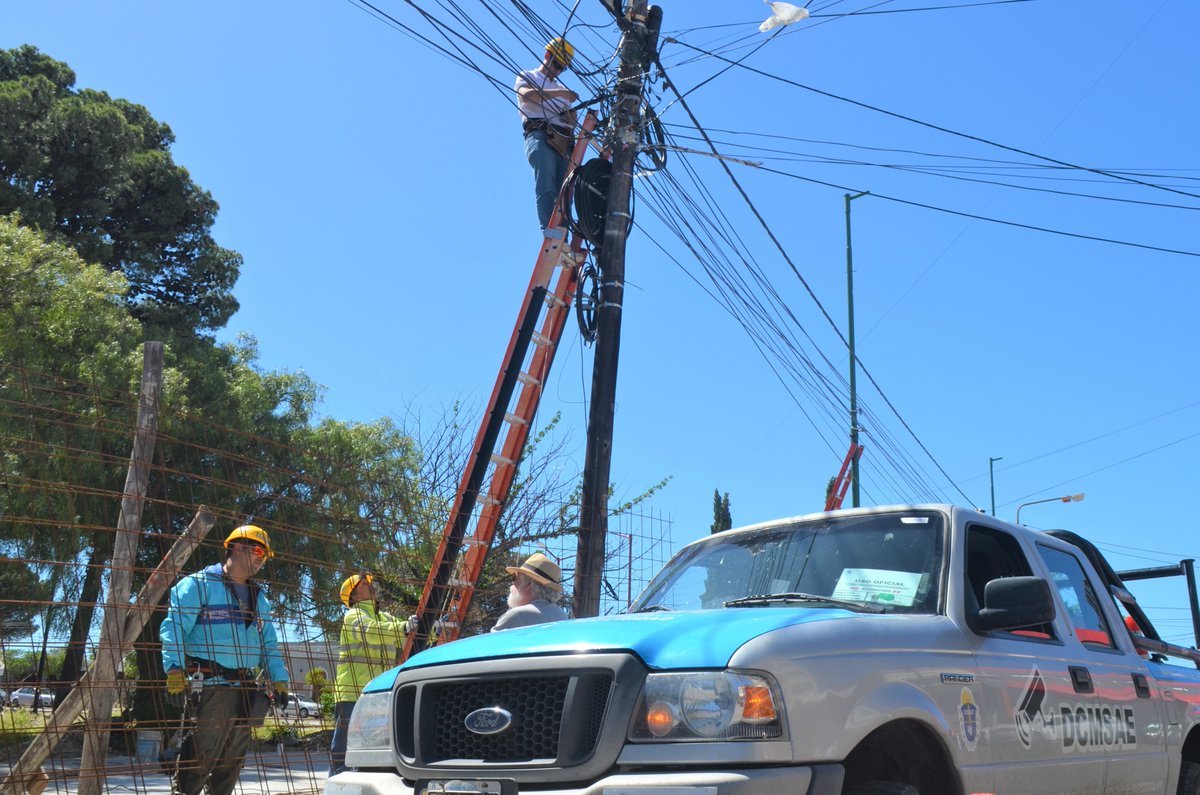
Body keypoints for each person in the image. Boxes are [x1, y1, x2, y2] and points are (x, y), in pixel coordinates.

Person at [160, 525, 289, 795]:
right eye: (257, 551)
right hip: (209, 686)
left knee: (231, 764)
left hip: (244, 691)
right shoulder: (198, 585)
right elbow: (174, 628)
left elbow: (268, 644)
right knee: (198, 758)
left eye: (264, 555)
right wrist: (174, 671)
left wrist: (278, 680)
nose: (260, 559)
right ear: (237, 547)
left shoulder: (258, 597)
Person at [330, 573, 412, 775]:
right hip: (351, 694)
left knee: (373, 748)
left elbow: (404, 638)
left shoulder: (385, 618)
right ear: (355, 596)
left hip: (377, 695)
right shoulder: (353, 615)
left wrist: (424, 629)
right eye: (365, 584)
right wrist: (404, 627)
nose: (372, 586)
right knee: (343, 750)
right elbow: (372, 632)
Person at [515, 37, 579, 230]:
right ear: (547, 55)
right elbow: (526, 97)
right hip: (540, 135)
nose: (558, 71)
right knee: (547, 186)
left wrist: (570, 114)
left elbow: (573, 120)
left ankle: (563, 240)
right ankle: (550, 233)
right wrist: (560, 94)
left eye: (562, 68)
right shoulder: (529, 76)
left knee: (564, 193)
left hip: (564, 142)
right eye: (557, 64)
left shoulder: (561, 91)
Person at [492, 552, 568, 631]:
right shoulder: (562, 617)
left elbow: (490, 643)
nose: (512, 583)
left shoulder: (516, 616)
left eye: (515, 578)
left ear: (529, 584)